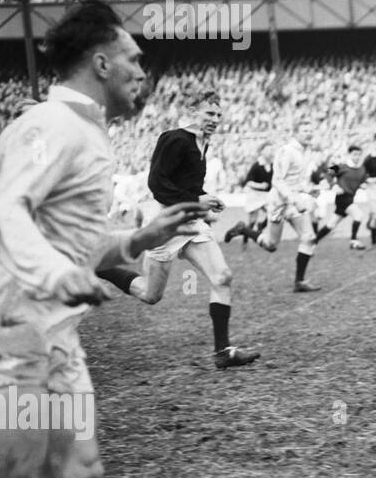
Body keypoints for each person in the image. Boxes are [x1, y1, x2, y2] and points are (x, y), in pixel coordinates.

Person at [0, 0, 208, 478]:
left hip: (54, 335)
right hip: (16, 329)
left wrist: (138, 237)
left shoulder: (85, 132)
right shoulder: (52, 124)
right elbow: (7, 212)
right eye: (135, 60)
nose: (144, 71)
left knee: (77, 472)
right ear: (101, 61)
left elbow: (73, 240)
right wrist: (57, 279)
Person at [96, 91, 259, 369]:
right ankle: (100, 266)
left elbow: (185, 185)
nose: (215, 119)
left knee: (222, 277)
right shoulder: (174, 138)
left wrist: (206, 197)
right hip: (167, 224)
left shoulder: (201, 143)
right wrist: (197, 200)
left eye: (218, 115)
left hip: (192, 224)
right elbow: (157, 184)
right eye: (209, 113)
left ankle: (223, 352)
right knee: (150, 295)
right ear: (193, 111)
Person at [224, 123, 322, 292]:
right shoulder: (287, 151)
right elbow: (277, 180)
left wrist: (307, 189)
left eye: (311, 130)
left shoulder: (305, 152)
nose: (309, 134)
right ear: (296, 133)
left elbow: (296, 181)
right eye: (305, 130)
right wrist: (293, 198)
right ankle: (243, 229)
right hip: (279, 202)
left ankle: (300, 281)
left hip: (294, 202)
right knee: (271, 245)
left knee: (309, 237)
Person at [313, 142, 369, 249]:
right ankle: (354, 241)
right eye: (354, 154)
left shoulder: (362, 169)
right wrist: (333, 185)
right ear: (349, 155)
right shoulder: (341, 166)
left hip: (351, 198)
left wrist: (364, 184)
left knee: (331, 224)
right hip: (342, 198)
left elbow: (364, 179)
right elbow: (327, 172)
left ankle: (313, 241)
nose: (357, 157)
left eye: (359, 154)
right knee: (358, 215)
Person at [237, 142, 274, 246]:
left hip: (266, 196)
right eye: (268, 150)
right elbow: (248, 182)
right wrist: (260, 185)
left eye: (272, 150)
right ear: (262, 152)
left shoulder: (272, 165)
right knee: (252, 221)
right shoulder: (257, 166)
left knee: (272, 213)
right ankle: (245, 240)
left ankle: (261, 226)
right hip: (255, 195)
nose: (271, 152)